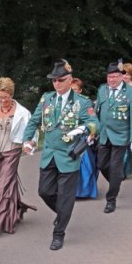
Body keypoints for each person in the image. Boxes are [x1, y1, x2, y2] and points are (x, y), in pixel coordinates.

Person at [22, 60, 98, 250]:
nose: (57, 84)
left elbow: (95, 123)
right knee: (44, 191)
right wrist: (27, 140)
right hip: (49, 154)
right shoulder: (47, 99)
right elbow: (33, 121)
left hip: (69, 156)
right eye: (54, 80)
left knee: (65, 196)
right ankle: (64, 213)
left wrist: (81, 128)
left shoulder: (82, 102)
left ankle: (59, 233)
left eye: (61, 80)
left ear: (70, 80)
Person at [0, 77, 37, 236]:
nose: (3, 100)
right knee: (2, 183)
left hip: (13, 150)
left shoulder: (23, 112)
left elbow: (32, 131)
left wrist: (29, 143)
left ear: (12, 94)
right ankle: (17, 208)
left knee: (2, 186)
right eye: (0, 96)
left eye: (6, 97)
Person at [95, 61, 132, 214]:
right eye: (109, 77)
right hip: (104, 134)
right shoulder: (102, 90)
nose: (112, 80)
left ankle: (111, 199)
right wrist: (92, 131)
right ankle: (116, 180)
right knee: (101, 164)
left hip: (121, 135)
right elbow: (97, 112)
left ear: (122, 77)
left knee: (115, 167)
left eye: (115, 77)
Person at [71, 78, 99, 199]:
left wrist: (91, 134)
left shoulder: (86, 103)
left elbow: (93, 122)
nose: (73, 92)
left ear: (80, 90)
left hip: (83, 138)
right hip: (68, 138)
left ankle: (85, 191)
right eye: (71, 89)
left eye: (76, 89)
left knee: (85, 165)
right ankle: (71, 191)